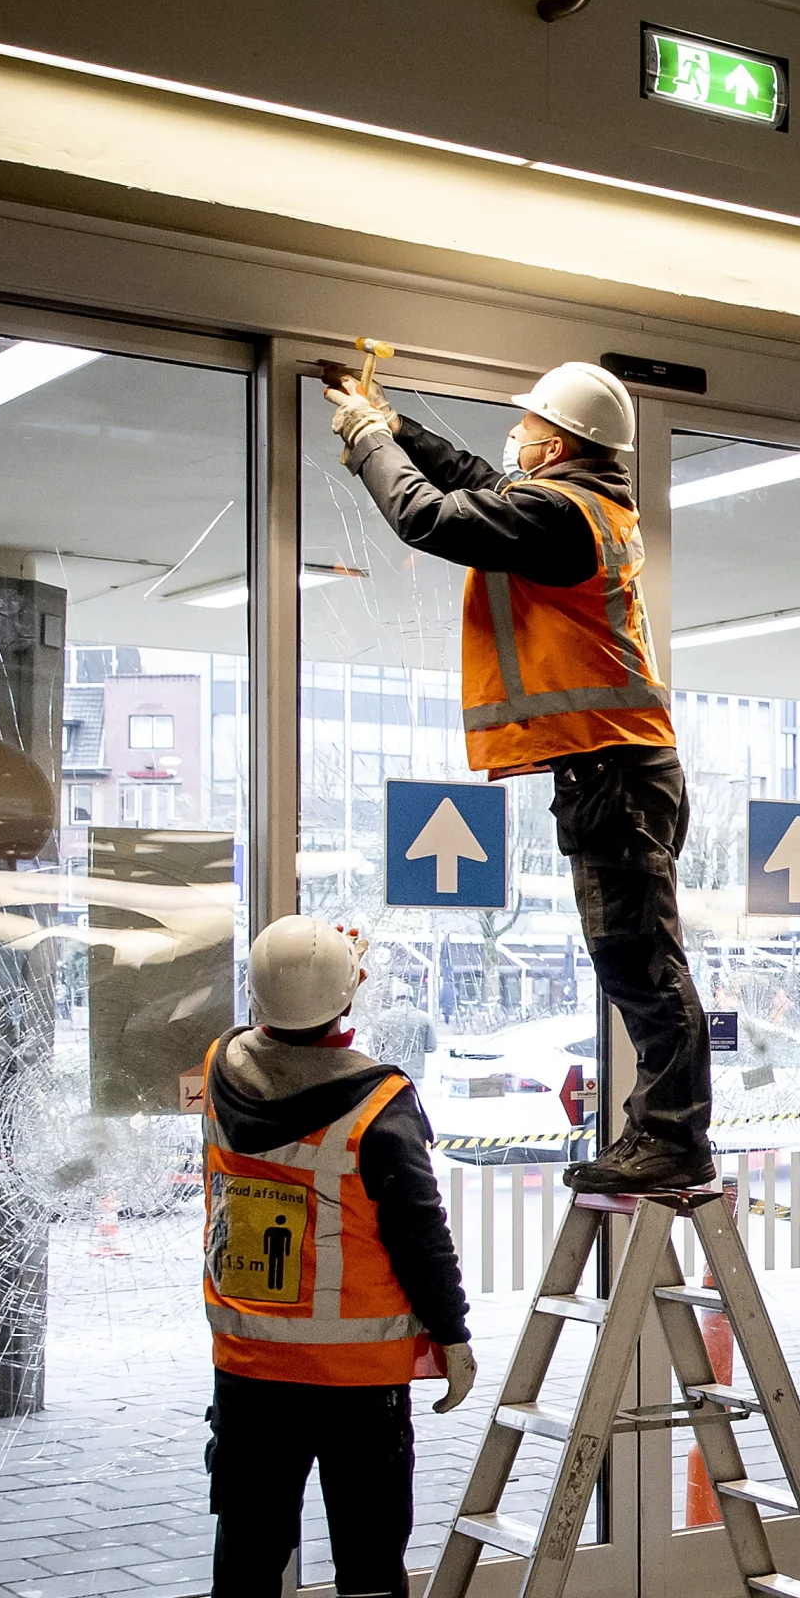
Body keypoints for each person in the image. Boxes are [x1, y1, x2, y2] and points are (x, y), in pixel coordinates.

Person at [323, 355, 715, 1195]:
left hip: (616, 770)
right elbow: (478, 481)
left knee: (643, 968)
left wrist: (365, 443)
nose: (517, 438)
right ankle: (663, 1135)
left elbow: (429, 517)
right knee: (636, 963)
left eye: (530, 426)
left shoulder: (562, 518)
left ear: (559, 442)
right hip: (615, 767)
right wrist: (395, 427)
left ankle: (675, 1140)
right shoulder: (575, 505)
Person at [197, 917, 482, 1598]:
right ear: (349, 999)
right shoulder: (377, 1101)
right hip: (357, 1387)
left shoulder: (221, 1070)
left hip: (247, 1373)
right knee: (367, 1571)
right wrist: (455, 1336)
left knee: (244, 1571)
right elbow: (418, 1230)